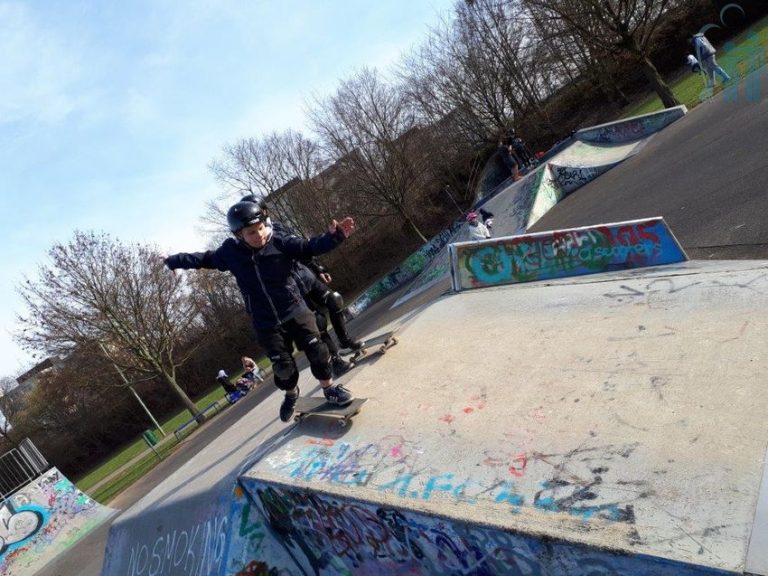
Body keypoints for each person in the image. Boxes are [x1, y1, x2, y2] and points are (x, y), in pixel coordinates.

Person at [164, 201, 356, 422]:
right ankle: (291, 394)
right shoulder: (231, 253)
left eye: (261, 228)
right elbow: (204, 259)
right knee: (283, 368)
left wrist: (335, 236)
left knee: (318, 351)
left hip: (295, 310)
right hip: (265, 322)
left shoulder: (280, 242)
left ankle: (329, 389)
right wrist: (173, 261)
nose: (259, 235)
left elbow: (309, 247)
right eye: (252, 233)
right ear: (239, 235)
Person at [240, 195, 366, 359]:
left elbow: (302, 248)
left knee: (334, 300)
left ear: (264, 211)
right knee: (317, 321)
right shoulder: (252, 242)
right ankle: (334, 358)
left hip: (306, 276)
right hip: (292, 287)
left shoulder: (278, 228)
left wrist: (318, 269)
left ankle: (344, 339)